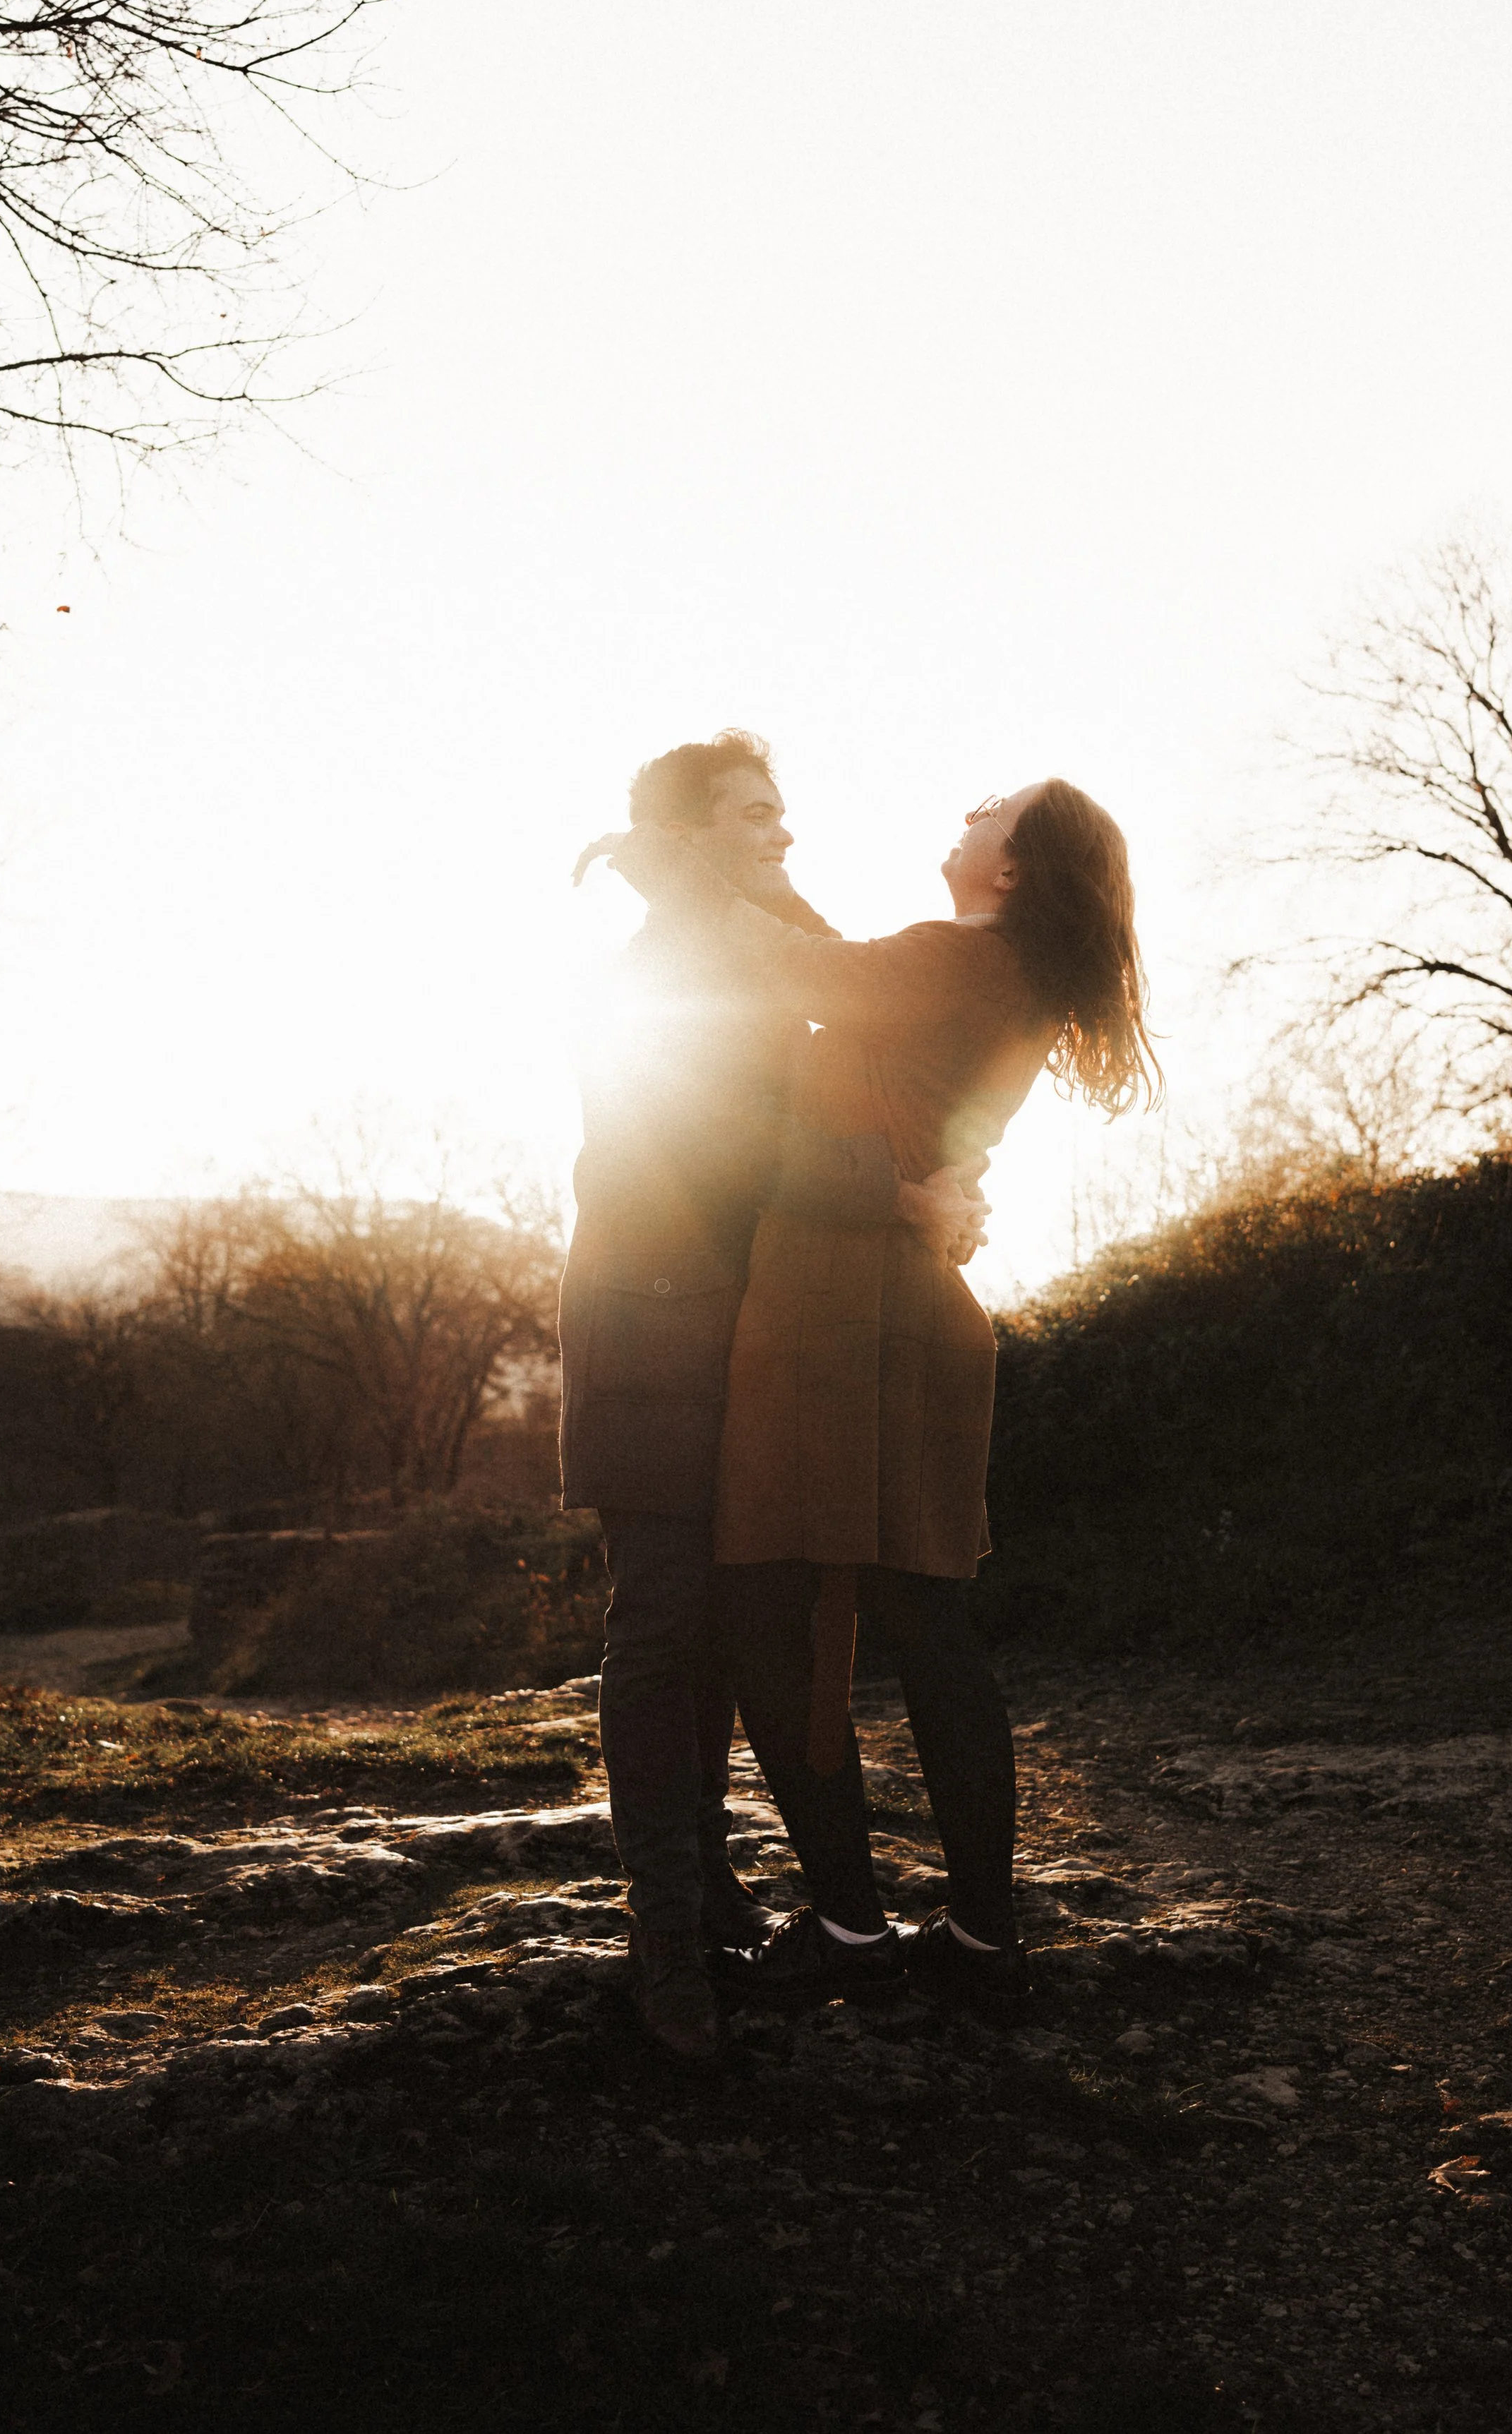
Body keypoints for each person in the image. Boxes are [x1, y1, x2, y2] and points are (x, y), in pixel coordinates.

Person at [590, 777, 1156, 2010]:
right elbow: (829, 957)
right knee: (928, 1622)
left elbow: (797, 973)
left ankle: (849, 1923)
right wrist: (744, 876)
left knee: (763, 1616)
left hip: (829, 1314)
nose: (965, 812)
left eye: (990, 813)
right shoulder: (989, 973)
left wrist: (675, 865)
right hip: (915, 1320)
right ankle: (981, 1936)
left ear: (1011, 869)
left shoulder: (952, 962)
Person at [561, 731, 986, 2061]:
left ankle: (720, 1896)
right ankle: (668, 1945)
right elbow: (731, 1148)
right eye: (757, 815)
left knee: (726, 1628)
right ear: (694, 838)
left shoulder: (741, 946)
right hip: (648, 1338)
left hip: (729, 1336)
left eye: (789, 813)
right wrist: (903, 1195)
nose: (788, 834)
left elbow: (852, 1026)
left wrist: (933, 1178)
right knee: (667, 1623)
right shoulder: (672, 968)